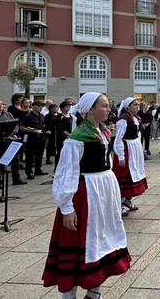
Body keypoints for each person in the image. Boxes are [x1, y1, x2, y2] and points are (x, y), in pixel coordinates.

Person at [42, 92, 131, 298]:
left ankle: (94, 291)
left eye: (108, 105)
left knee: (101, 238)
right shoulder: (76, 138)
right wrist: (67, 207)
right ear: (90, 109)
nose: (109, 109)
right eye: (104, 106)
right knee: (79, 242)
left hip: (102, 194)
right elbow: (66, 173)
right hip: (86, 194)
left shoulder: (103, 132)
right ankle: (69, 294)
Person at [112, 97, 148, 217]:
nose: (137, 107)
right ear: (127, 107)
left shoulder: (135, 119)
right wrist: (121, 156)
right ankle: (120, 203)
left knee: (134, 174)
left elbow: (137, 134)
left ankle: (128, 200)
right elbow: (118, 139)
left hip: (134, 149)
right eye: (134, 105)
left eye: (138, 105)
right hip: (126, 149)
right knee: (125, 174)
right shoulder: (123, 120)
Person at [20, 101, 49, 180]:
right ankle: (29, 172)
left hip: (41, 137)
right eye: (39, 106)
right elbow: (22, 127)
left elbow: (44, 126)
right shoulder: (28, 116)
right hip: (31, 138)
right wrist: (33, 131)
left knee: (39, 155)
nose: (40, 108)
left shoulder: (42, 116)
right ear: (33, 106)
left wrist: (46, 131)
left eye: (42, 106)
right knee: (30, 156)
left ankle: (38, 169)